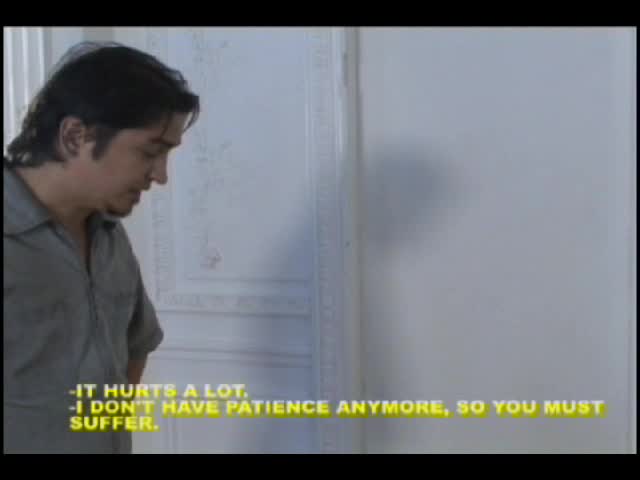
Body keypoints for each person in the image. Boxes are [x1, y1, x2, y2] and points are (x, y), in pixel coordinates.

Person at [3, 41, 200, 453]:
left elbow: (135, 344)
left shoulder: (108, 234)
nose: (161, 176)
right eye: (150, 152)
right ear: (75, 136)